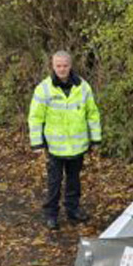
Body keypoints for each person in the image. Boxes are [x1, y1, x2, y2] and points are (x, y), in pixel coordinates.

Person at [28, 50, 102, 230]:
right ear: (53, 66)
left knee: (74, 180)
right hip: (55, 148)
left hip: (77, 146)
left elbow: (92, 114)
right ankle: (51, 215)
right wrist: (37, 143)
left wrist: (96, 139)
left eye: (65, 65)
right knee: (54, 182)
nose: (62, 69)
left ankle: (73, 210)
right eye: (58, 66)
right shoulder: (44, 89)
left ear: (70, 66)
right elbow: (35, 117)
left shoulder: (83, 86)